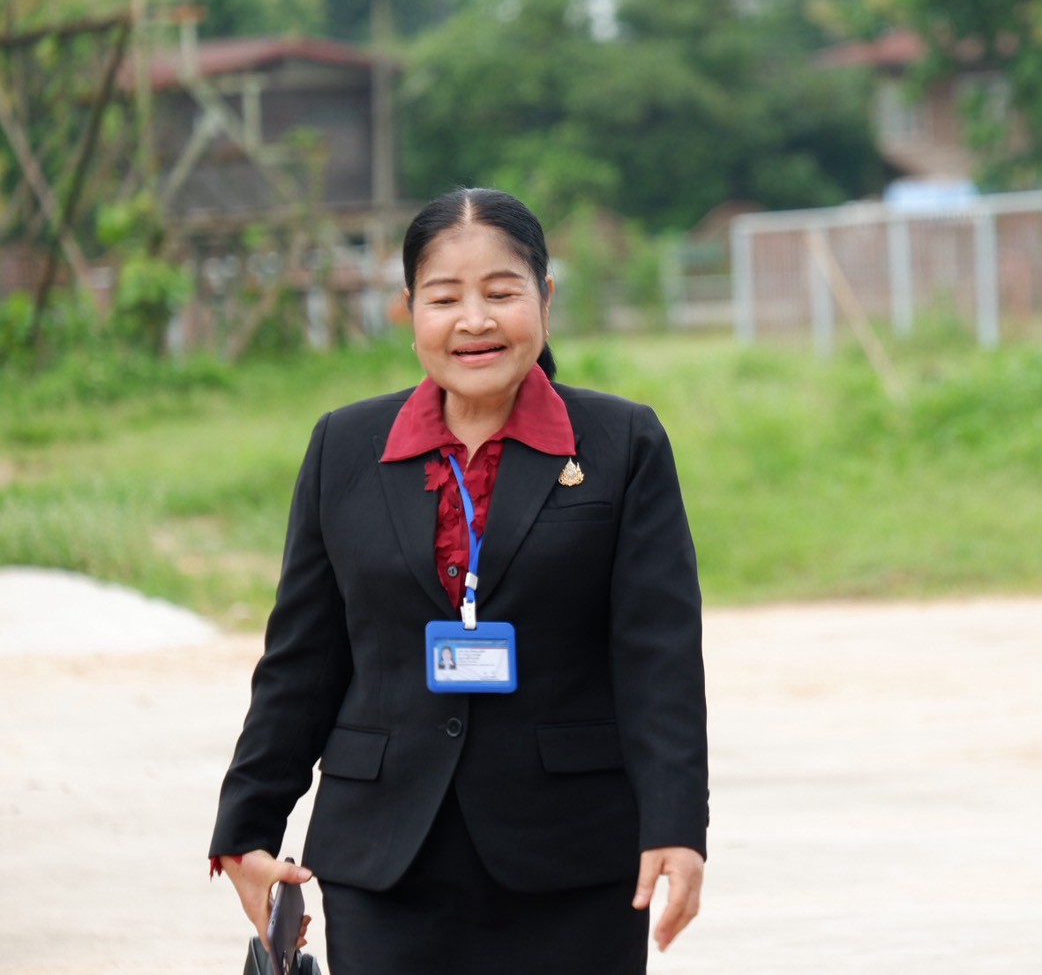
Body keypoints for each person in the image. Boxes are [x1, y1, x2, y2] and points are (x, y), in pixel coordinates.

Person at [210, 188, 708, 973]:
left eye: (501, 293)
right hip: (383, 857)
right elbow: (302, 660)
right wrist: (247, 828)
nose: (474, 321)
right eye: (444, 298)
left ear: (544, 298)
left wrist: (676, 824)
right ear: (409, 309)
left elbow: (659, 654)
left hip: (575, 858)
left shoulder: (621, 442)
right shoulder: (345, 446)